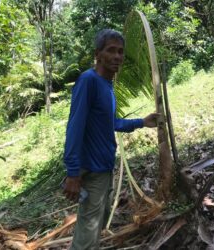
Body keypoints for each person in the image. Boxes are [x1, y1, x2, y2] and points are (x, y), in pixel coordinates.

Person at [63, 29, 159, 250]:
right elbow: (75, 127)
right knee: (89, 229)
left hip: (103, 167)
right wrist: (73, 172)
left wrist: (141, 122)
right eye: (111, 51)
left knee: (97, 219)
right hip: (91, 168)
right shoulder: (89, 81)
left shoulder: (107, 86)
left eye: (121, 52)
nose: (117, 56)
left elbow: (110, 123)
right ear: (98, 54)